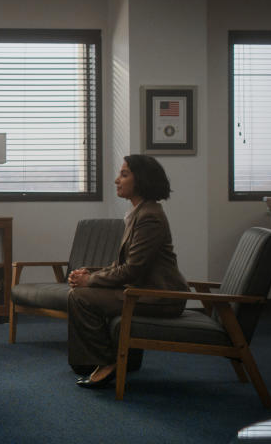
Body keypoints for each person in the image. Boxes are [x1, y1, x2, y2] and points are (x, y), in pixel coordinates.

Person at [67, 154, 188, 388]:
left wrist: (89, 281)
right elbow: (124, 264)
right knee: (83, 291)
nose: (116, 180)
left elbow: (132, 270)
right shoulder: (139, 212)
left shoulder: (149, 216)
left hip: (161, 297)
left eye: (124, 174)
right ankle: (102, 361)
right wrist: (88, 273)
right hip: (143, 291)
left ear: (140, 180)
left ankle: (105, 362)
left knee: (80, 297)